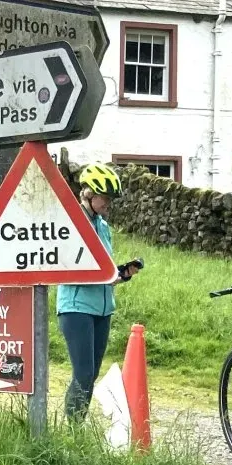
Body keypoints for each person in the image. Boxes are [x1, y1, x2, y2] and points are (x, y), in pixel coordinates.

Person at [56, 164, 143, 421]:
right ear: (88, 194)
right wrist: (106, 276)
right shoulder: (72, 222)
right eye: (105, 198)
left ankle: (75, 426)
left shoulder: (103, 226)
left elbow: (100, 266)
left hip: (102, 307)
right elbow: (70, 265)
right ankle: (72, 430)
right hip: (76, 306)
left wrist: (121, 273)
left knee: (91, 374)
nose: (109, 204)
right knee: (83, 374)